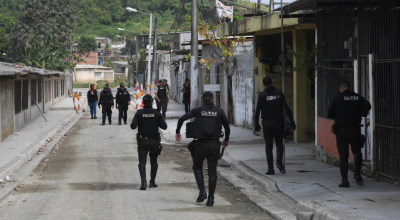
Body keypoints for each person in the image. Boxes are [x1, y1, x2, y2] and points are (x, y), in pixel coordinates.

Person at [175, 92, 230, 207]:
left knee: (197, 167)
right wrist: (226, 139)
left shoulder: (198, 110)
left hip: (200, 145)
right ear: (213, 100)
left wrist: (177, 132)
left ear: (203, 101)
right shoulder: (219, 111)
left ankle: (202, 192)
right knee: (212, 172)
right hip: (215, 145)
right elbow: (227, 126)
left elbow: (182, 118)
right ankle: (211, 199)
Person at [328, 81, 370, 188]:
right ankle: (357, 174)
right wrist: (362, 112)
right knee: (357, 151)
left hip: (341, 131)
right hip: (355, 129)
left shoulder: (337, 98)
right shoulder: (358, 98)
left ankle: (345, 181)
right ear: (350, 88)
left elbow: (330, 114)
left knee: (343, 156)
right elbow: (367, 106)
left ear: (340, 89)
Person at [254, 77, 296, 175]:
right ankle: (279, 162)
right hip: (278, 122)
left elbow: (257, 111)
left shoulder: (262, 95)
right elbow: (286, 108)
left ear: (264, 85)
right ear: (272, 82)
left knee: (268, 146)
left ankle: (270, 169)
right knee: (279, 143)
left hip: (266, 123)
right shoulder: (279, 93)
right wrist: (292, 121)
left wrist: (256, 124)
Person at [131, 94, 167, 190]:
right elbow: (164, 126)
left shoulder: (139, 113)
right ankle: (152, 182)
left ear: (143, 103)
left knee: (142, 162)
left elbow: (132, 126)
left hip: (142, 142)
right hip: (154, 142)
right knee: (154, 162)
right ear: (151, 102)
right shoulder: (157, 113)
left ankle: (143, 182)